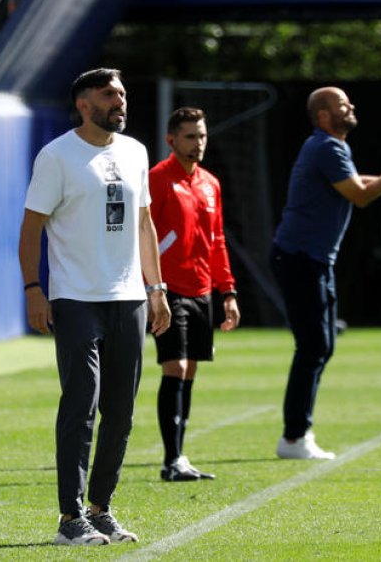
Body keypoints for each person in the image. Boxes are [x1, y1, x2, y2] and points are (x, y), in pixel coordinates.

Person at [18, 67, 172, 546]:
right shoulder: (57, 155)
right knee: (81, 404)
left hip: (129, 298)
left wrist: (156, 287)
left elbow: (144, 224)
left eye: (122, 94)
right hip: (75, 298)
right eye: (109, 95)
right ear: (84, 104)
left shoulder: (135, 151)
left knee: (121, 412)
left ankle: (101, 508)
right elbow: (30, 229)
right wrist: (33, 288)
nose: (119, 102)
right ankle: (69, 518)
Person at [271, 86, 381, 461]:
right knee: (314, 345)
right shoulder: (327, 146)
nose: (351, 108)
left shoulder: (331, 148)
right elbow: (360, 196)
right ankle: (294, 437)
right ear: (323, 116)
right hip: (300, 257)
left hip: (312, 258)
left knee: (323, 344)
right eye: (342, 105)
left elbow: (357, 184)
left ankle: (298, 434)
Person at [147, 107, 240, 482]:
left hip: (203, 289)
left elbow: (216, 241)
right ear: (171, 140)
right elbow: (144, 234)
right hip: (169, 290)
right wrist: (151, 288)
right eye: (190, 136)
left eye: (201, 135)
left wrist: (227, 291)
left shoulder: (210, 184)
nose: (198, 143)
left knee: (191, 370)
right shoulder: (157, 179)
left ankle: (180, 458)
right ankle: (171, 461)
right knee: (176, 366)